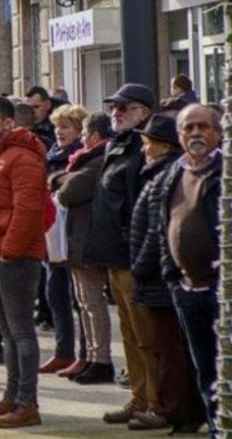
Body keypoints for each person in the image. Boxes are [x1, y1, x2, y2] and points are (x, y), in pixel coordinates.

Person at [0, 96, 47, 429]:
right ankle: (13, 395)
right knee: (8, 334)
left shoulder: (22, 158)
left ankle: (26, 401)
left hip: (13, 259)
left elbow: (28, 210)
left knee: (20, 333)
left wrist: (8, 252)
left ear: (7, 122)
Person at [128, 115, 205, 432]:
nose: (144, 150)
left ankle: (175, 409)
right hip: (159, 274)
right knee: (167, 345)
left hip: (160, 276)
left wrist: (141, 266)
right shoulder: (162, 173)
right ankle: (176, 407)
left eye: (147, 144)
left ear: (163, 147)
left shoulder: (166, 175)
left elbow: (158, 229)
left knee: (168, 348)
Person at [89, 83, 157, 426]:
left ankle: (155, 402)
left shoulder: (141, 150)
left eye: (124, 107)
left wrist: (136, 251)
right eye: (114, 107)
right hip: (115, 255)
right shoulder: (116, 145)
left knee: (146, 335)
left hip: (133, 257)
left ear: (143, 113)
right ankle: (140, 397)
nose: (116, 112)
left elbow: (139, 208)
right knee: (129, 334)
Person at [159, 104, 223, 436]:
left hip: (220, 290)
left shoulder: (224, 173)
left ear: (217, 132)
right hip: (188, 290)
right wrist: (172, 278)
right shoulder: (174, 172)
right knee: (205, 372)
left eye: (203, 127)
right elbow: (163, 224)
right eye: (188, 128)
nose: (195, 133)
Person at [51, 111, 115, 384]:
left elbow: (67, 192)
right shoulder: (85, 159)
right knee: (83, 301)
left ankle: (100, 359)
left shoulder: (97, 160)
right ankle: (90, 356)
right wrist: (58, 179)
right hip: (79, 239)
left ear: (93, 135)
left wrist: (58, 181)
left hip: (89, 240)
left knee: (91, 302)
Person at [38, 104, 87, 376]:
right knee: (54, 293)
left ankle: (82, 353)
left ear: (79, 130)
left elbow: (71, 185)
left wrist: (55, 180)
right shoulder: (52, 154)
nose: (60, 132)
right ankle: (63, 351)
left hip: (71, 234)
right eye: (57, 127)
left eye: (66, 127)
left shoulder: (79, 156)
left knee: (79, 298)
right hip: (51, 232)